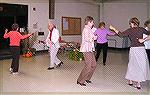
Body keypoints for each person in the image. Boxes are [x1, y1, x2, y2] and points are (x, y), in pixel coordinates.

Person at [109, 17, 150, 89]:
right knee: (140, 65)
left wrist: (113, 28)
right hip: (141, 49)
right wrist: (143, 40)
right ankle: (136, 83)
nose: (130, 25)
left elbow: (121, 35)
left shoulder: (130, 30)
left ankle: (132, 81)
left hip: (134, 49)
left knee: (132, 65)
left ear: (132, 23)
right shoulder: (141, 29)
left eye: (130, 23)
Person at [77, 16, 97, 86]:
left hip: (90, 49)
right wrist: (93, 39)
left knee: (94, 65)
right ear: (88, 22)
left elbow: (91, 37)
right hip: (86, 49)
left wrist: (95, 37)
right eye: (92, 22)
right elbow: (86, 39)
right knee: (88, 66)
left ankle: (87, 78)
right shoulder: (86, 29)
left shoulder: (90, 29)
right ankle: (80, 80)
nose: (93, 23)